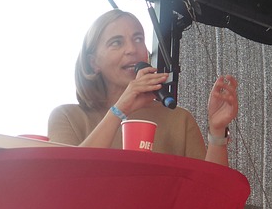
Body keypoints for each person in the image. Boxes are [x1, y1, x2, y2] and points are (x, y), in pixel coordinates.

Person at [48, 9, 238, 167]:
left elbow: (210, 191)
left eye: (138, 39)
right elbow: (66, 177)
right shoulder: (67, 117)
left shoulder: (179, 119)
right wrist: (120, 110)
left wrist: (217, 131)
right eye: (117, 42)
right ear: (93, 63)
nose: (132, 49)